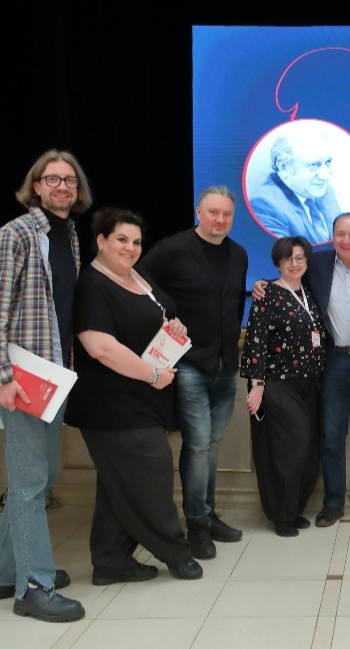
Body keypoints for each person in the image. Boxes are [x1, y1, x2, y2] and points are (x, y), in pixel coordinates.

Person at [0, 149, 90, 622]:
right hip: (22, 377)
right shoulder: (16, 234)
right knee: (29, 482)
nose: (62, 186)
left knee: (39, 478)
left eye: (70, 180)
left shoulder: (69, 236)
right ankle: (33, 586)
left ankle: (7, 571)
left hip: (54, 373)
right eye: (53, 179)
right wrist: (0, 376)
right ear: (37, 186)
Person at [68, 208, 203, 584]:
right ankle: (176, 552)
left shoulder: (136, 277)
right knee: (152, 472)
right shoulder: (92, 285)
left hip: (143, 399)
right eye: (122, 240)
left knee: (118, 484)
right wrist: (153, 374)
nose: (130, 248)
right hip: (110, 405)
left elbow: (150, 318)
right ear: (101, 241)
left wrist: (172, 329)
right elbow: (99, 347)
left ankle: (110, 561)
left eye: (137, 242)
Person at [253, 213, 350, 528]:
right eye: (340, 234)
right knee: (331, 438)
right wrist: (260, 285)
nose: (346, 240)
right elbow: (287, 279)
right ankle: (333, 504)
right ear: (332, 236)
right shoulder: (316, 265)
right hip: (331, 364)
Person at [139, 185, 249, 559]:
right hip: (188, 363)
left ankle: (207, 513)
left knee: (211, 445)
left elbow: (233, 303)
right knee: (198, 444)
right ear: (198, 212)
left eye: (227, 214)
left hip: (226, 363)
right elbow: (139, 285)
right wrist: (166, 318)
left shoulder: (239, 254)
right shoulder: (172, 249)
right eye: (213, 212)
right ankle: (197, 525)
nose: (220, 220)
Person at [242, 237, 328, 537]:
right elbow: (256, 341)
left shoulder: (308, 292)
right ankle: (280, 514)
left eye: (300, 258)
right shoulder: (267, 293)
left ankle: (293, 509)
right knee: (292, 445)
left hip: (309, 384)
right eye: (288, 258)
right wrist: (257, 385)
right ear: (278, 262)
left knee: (308, 448)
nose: (295, 263)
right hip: (278, 384)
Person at [249, 121, 344, 243]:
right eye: (314, 165)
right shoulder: (265, 204)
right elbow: (284, 253)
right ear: (284, 167)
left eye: (328, 162)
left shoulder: (323, 191)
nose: (326, 176)